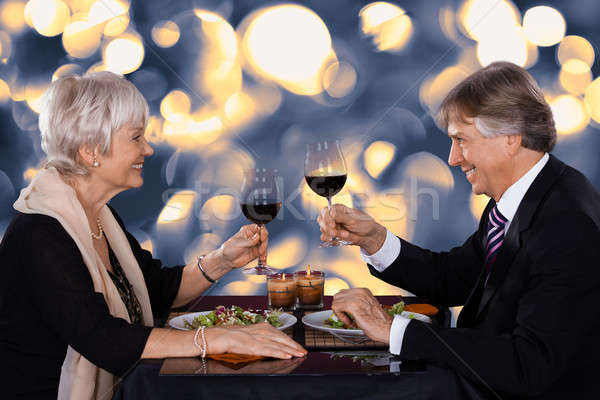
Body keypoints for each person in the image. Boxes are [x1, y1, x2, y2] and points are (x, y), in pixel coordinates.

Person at [0, 72, 306, 400]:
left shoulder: (99, 216)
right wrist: (216, 338)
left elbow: (155, 290)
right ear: (91, 151)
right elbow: (102, 338)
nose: (147, 148)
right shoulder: (39, 233)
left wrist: (222, 260)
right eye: (135, 138)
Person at [318, 62, 600, 398]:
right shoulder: (521, 196)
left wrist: (395, 330)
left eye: (460, 140)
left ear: (510, 139)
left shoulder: (567, 224)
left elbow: (529, 364)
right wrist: (376, 240)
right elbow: (457, 279)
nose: (453, 158)